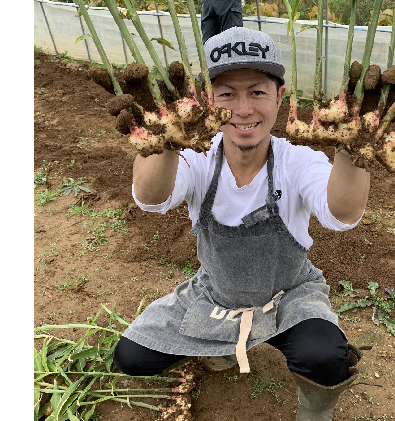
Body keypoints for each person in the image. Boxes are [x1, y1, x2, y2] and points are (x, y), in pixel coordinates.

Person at [113, 26, 372, 420]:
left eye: (257, 92)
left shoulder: (297, 161)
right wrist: (165, 137)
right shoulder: (197, 158)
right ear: (204, 100)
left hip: (288, 297)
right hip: (217, 298)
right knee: (131, 357)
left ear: (279, 96)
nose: (244, 109)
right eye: (227, 94)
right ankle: (222, 347)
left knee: (323, 355)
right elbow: (151, 197)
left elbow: (343, 213)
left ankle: (316, 412)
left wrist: (354, 148)